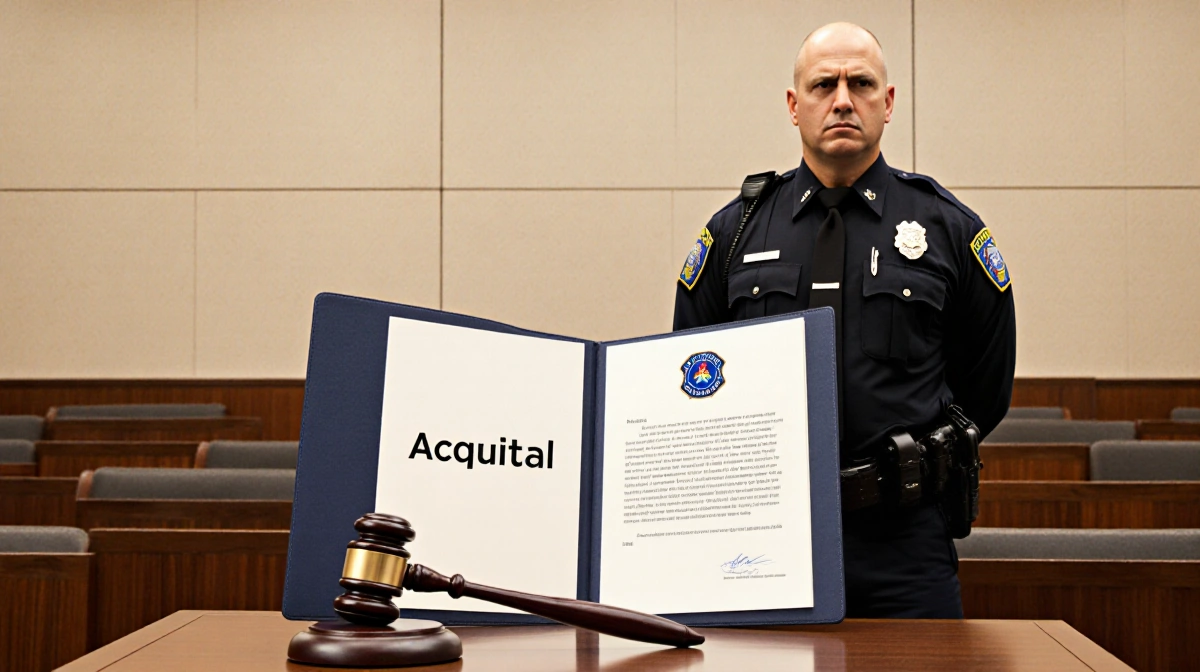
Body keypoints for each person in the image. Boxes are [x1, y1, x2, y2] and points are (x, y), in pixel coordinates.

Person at [673, 22, 1016, 618]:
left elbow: (986, 387)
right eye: (822, 84)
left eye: (860, 83)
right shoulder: (734, 235)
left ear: (887, 103)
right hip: (760, 539)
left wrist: (917, 459)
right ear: (793, 105)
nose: (841, 100)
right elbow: (691, 374)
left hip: (903, 541)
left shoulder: (949, 230)